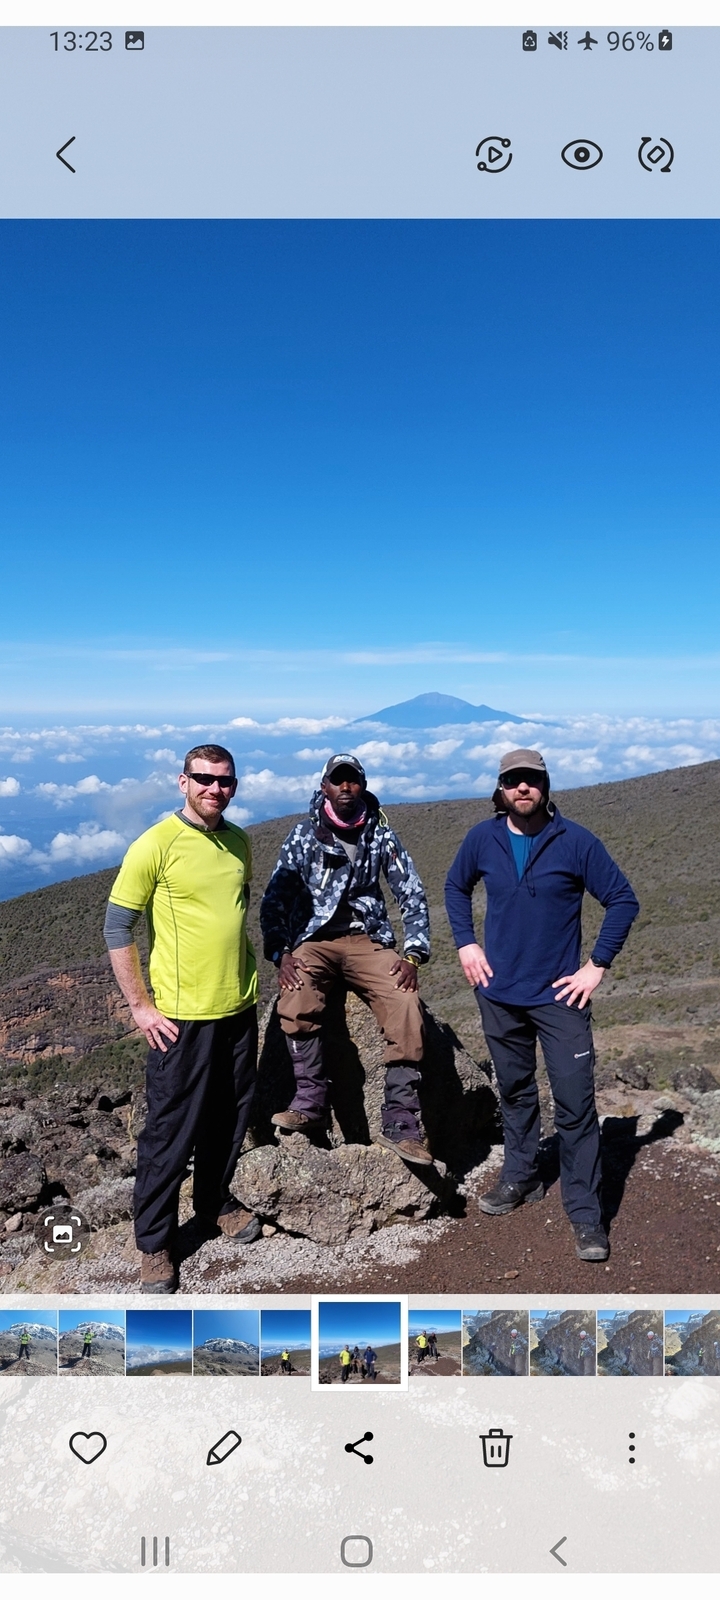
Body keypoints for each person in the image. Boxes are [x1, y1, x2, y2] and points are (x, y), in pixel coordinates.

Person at [445, 748, 639, 1263]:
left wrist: (596, 965)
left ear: (546, 786)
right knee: (514, 1090)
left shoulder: (575, 841)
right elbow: (455, 886)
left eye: (531, 780)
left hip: (560, 997)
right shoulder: (482, 838)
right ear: (500, 789)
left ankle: (586, 1215)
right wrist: (466, 942)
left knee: (575, 1104)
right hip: (499, 994)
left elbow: (623, 899)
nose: (522, 788)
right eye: (513, 780)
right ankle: (521, 1177)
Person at [104, 743, 261, 1294]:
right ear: (183, 781)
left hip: (239, 1006)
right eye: (204, 778)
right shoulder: (156, 844)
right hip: (180, 1016)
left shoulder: (240, 840)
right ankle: (154, 1243)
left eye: (226, 781)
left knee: (228, 1117)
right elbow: (117, 927)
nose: (215, 788)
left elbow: (235, 914)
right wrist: (140, 1006)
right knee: (170, 1130)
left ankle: (216, 1203)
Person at [260, 754, 432, 1165]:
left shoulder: (381, 836)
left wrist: (413, 953)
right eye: (337, 781)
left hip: (366, 940)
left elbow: (411, 893)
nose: (345, 788)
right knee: (296, 992)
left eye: (352, 781)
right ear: (324, 787)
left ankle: (401, 1120)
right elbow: (275, 899)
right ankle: (310, 1102)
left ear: (362, 785)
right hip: (314, 940)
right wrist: (281, 952)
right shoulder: (304, 836)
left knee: (406, 1002)